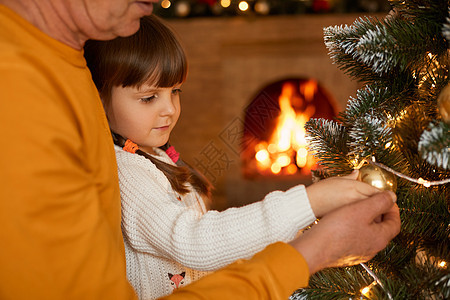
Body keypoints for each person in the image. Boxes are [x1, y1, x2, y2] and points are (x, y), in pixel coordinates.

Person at [0, 0, 401, 300]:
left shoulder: (149, 155)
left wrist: (311, 222)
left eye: (174, 92)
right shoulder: (130, 172)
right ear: (100, 100)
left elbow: (214, 240)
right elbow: (193, 241)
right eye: (148, 98)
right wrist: (308, 203)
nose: (170, 109)